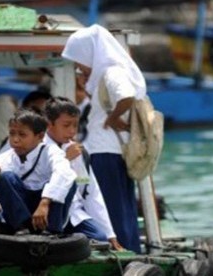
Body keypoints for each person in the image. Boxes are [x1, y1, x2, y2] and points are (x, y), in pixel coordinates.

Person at [61, 24, 146, 253]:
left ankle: (122, 254)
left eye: (79, 60)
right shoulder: (107, 71)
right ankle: (130, 252)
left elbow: (126, 96)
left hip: (105, 152)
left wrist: (112, 118)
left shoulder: (111, 71)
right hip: (107, 151)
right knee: (120, 207)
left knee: (110, 208)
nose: (78, 67)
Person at [43, 97, 122, 250]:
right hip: (46, 213)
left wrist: (110, 234)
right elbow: (34, 183)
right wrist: (66, 160)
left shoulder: (78, 152)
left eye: (75, 125)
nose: (72, 131)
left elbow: (91, 193)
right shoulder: (37, 147)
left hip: (74, 214)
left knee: (100, 239)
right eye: (66, 125)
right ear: (49, 124)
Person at [0, 109, 77, 234]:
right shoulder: (5, 158)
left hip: (47, 213)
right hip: (21, 217)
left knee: (68, 180)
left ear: (40, 136)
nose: (15, 140)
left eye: (22, 135)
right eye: (12, 133)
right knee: (5, 177)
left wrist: (44, 203)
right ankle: (22, 228)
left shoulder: (51, 152)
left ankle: (50, 231)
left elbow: (64, 173)